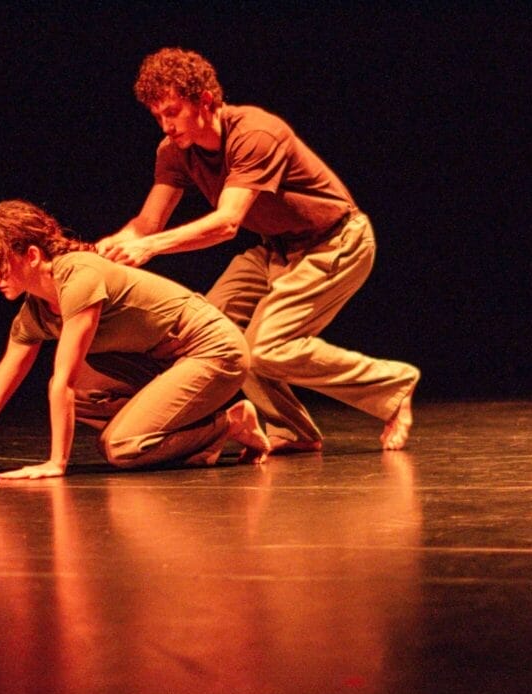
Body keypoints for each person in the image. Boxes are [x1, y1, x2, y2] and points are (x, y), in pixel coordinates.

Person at [98, 47, 420, 453]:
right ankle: (295, 432)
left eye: (172, 112)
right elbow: (147, 224)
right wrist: (109, 248)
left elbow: (228, 222)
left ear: (205, 101)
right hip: (276, 248)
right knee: (215, 336)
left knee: (268, 347)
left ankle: (393, 385)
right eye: (157, 115)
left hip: (335, 242)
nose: (165, 125)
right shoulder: (173, 151)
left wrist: (148, 249)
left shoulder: (255, 132)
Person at [0, 199, 269, 481]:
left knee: (119, 447)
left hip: (213, 350)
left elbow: (63, 379)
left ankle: (230, 423)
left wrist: (57, 463)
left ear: (32, 255)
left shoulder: (79, 276)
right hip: (165, 361)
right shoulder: (34, 313)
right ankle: (196, 434)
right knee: (84, 395)